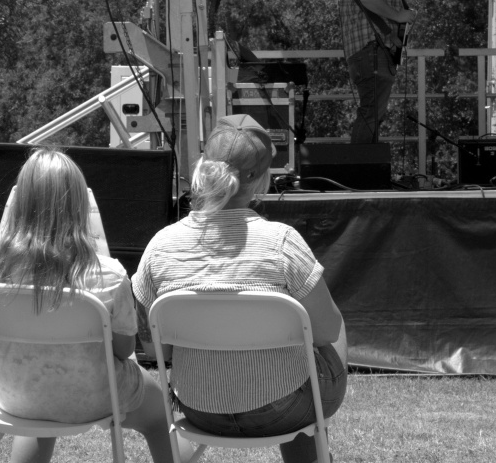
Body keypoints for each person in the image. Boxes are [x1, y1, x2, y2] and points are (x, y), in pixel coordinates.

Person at [133, 114, 347, 463]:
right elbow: (326, 331)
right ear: (262, 178)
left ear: (203, 168)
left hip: (197, 407)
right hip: (284, 408)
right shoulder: (282, 243)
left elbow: (156, 349)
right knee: (330, 327)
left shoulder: (160, 246)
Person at [0, 148, 174, 463]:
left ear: (21, 203)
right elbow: (123, 349)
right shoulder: (108, 273)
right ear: (79, 205)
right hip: (93, 397)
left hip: (16, 397)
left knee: (40, 399)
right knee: (158, 414)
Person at [339, 0, 418, 144]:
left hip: (366, 51)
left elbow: (366, 6)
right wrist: (398, 15)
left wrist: (391, 34)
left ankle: (367, 163)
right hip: (371, 51)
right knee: (371, 113)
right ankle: (360, 165)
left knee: (372, 113)